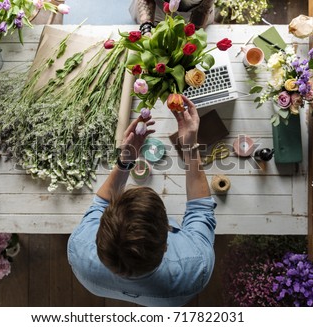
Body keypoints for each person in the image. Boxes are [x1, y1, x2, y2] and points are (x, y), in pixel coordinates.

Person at [67, 95, 217, 307]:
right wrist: (190, 146)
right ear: (166, 244)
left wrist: (127, 158)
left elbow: (100, 203)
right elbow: (201, 211)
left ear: (100, 230)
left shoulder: (79, 247)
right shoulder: (195, 266)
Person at [129, 0, 215, 35]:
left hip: (195, 13)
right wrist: (146, 28)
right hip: (156, 12)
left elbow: (203, 9)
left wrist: (191, 37)